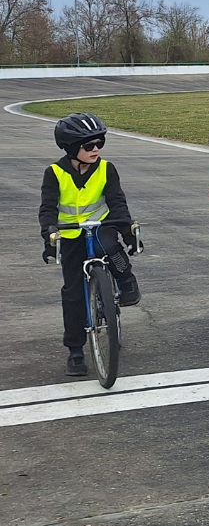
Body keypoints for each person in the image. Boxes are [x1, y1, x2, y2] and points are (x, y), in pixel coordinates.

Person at [39, 113, 141, 377]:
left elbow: (117, 201)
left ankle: (126, 279)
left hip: (100, 227)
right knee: (72, 293)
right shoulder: (55, 172)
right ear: (72, 148)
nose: (96, 149)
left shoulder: (107, 169)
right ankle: (75, 350)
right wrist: (49, 231)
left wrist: (126, 228)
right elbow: (48, 208)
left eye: (100, 143)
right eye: (89, 146)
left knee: (112, 246)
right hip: (71, 235)